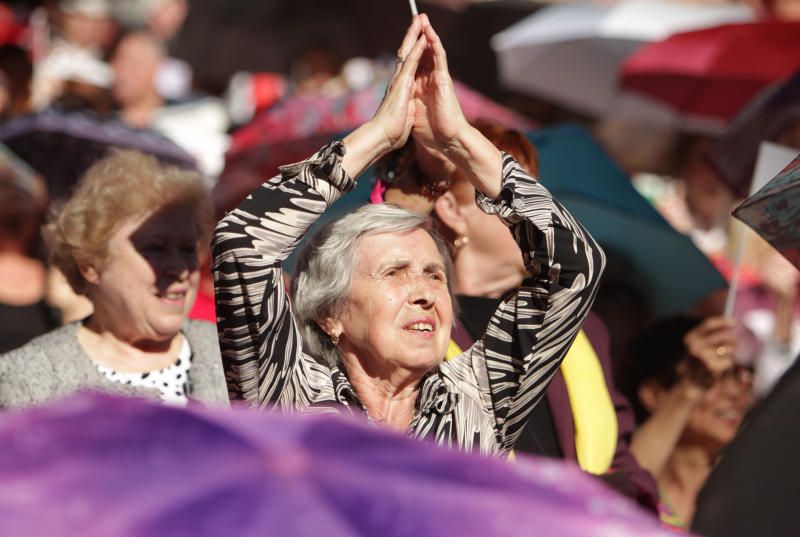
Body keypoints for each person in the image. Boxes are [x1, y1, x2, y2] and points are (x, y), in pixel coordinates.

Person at [212, 15, 604, 455]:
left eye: (435, 275)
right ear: (331, 314)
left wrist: (459, 138)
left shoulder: (476, 399)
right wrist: (379, 134)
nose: (425, 294)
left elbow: (574, 266)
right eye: (396, 272)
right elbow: (242, 244)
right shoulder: (288, 396)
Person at [380, 119, 657, 509]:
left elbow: (624, 464)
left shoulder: (581, 327)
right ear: (452, 210)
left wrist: (607, 495)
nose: (535, 209)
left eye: (534, 192)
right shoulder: (406, 326)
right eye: (507, 194)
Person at [0, 149, 227, 408]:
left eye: (187, 249)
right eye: (155, 249)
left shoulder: (232, 351)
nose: (180, 268)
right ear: (90, 265)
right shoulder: (31, 381)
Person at [625, 315, 754, 530]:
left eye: (739, 375)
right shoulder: (634, 493)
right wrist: (693, 386)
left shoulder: (756, 490)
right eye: (714, 378)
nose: (734, 392)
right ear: (655, 394)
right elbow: (623, 488)